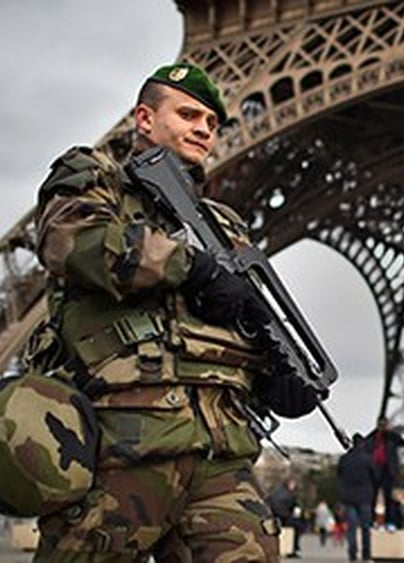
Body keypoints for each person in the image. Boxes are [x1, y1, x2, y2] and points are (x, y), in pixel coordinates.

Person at [27, 62, 321, 561]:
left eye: (211, 122)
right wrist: (190, 266)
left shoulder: (225, 225)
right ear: (145, 118)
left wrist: (277, 373)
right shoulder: (97, 179)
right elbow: (69, 242)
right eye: (188, 114)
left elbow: (246, 317)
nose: (204, 129)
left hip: (220, 452)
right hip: (123, 446)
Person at [338, 433, 376, 562]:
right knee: (365, 527)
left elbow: (340, 476)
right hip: (364, 496)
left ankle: (352, 554)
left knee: (351, 528)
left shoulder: (344, 459)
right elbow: (375, 476)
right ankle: (366, 554)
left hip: (348, 497)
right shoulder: (368, 459)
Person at [366, 416, 404, 516]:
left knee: (387, 495)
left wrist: (391, 432)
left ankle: (388, 518)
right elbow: (365, 444)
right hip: (376, 468)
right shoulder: (373, 436)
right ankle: (371, 517)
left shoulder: (391, 437)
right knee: (373, 495)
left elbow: (402, 442)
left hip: (387, 469)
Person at [268, 479, 304, 558]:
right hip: (286, 516)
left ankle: (276, 549)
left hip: (274, 516)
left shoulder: (275, 492)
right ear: (289, 484)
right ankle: (292, 549)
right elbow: (294, 506)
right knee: (296, 529)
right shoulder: (289, 494)